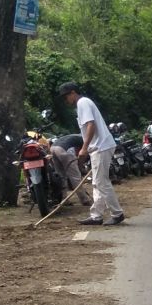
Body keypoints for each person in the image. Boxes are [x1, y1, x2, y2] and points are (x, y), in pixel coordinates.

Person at [58, 82, 125, 226]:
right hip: (98, 147)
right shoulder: (83, 104)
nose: (66, 100)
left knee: (102, 182)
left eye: (66, 97)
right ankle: (96, 216)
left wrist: (84, 148)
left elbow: (91, 125)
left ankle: (117, 213)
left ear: (73, 93)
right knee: (97, 183)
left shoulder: (83, 103)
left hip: (101, 146)